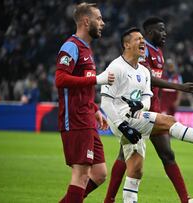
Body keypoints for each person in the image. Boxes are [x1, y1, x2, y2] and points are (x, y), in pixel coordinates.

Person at [100, 27, 193, 203]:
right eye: (137, 39)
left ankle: (113, 200)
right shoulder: (116, 67)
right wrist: (122, 125)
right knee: (167, 121)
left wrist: (141, 105)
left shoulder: (143, 71)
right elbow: (105, 102)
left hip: (135, 116)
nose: (142, 42)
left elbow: (147, 97)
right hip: (120, 119)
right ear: (126, 45)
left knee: (135, 169)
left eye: (142, 39)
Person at [55, 3, 114, 203]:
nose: (102, 23)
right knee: (81, 175)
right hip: (75, 119)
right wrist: (97, 79)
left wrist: (94, 108)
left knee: (99, 173)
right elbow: (60, 79)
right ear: (86, 21)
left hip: (87, 116)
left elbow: (83, 87)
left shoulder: (86, 49)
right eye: (99, 19)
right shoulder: (71, 46)